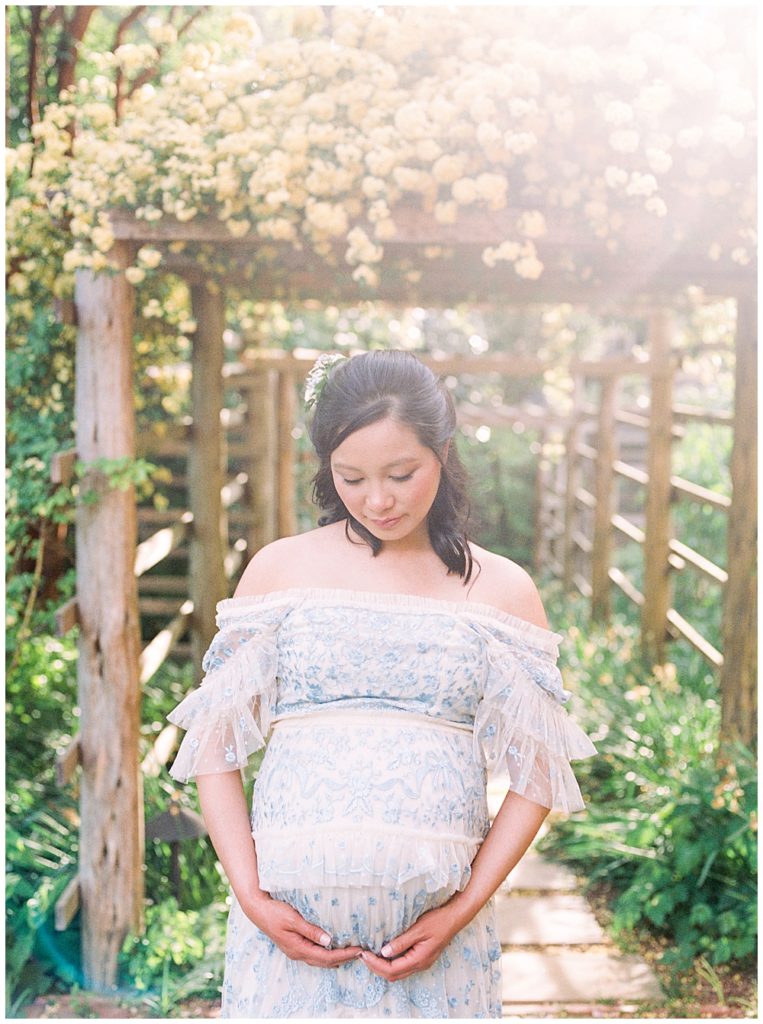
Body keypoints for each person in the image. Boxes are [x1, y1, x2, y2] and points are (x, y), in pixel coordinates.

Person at [167, 349, 597, 1018]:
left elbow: (537, 774)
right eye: (351, 477)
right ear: (326, 468)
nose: (378, 500)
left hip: (437, 950)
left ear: (443, 452)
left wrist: (460, 910)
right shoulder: (279, 572)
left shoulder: (503, 589)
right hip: (286, 940)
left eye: (401, 473)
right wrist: (249, 893)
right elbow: (215, 747)